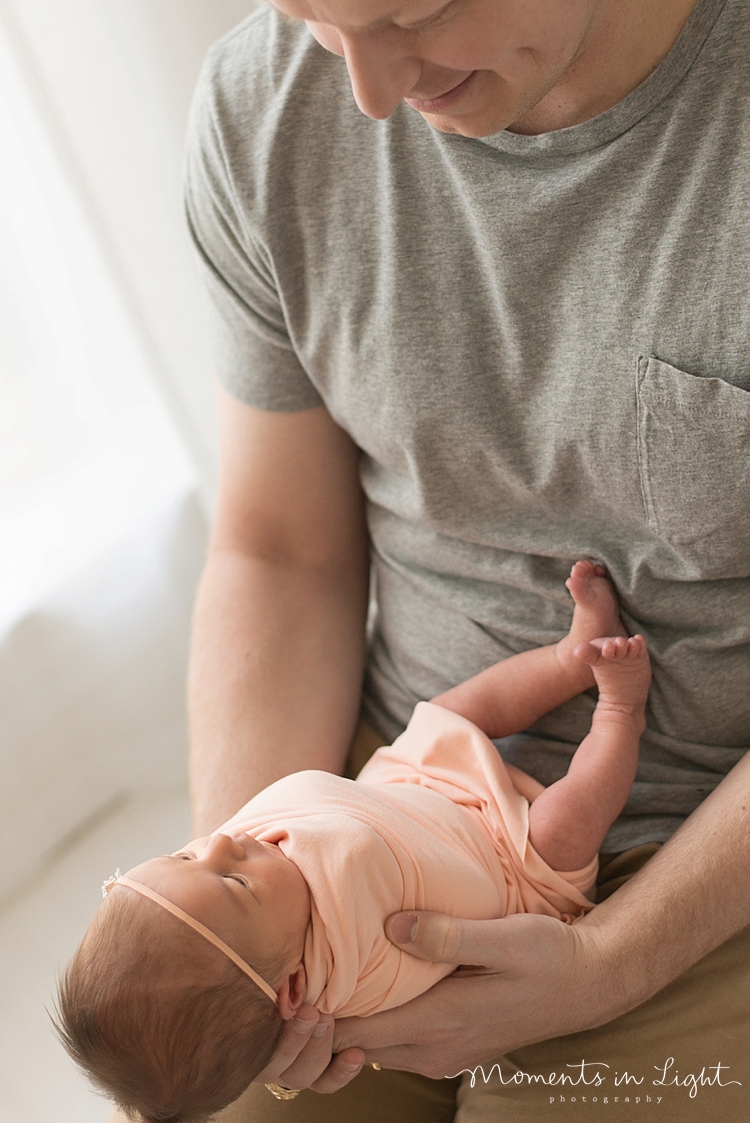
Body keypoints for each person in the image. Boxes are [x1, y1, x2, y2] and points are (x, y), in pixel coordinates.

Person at [105, 0, 750, 1120]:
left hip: (700, 848)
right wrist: (254, 894)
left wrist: (613, 962)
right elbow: (279, 547)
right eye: (316, 17)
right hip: (392, 764)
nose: (367, 90)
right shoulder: (266, 110)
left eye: (417, 14)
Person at [64, 565, 650, 1122]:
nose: (223, 843)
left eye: (183, 855)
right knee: (565, 825)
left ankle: (569, 657)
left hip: (412, 784)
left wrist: (225, 885)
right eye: (234, 883)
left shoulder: (257, 895)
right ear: (293, 986)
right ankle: (621, 711)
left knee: (447, 713)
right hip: (512, 869)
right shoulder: (339, 975)